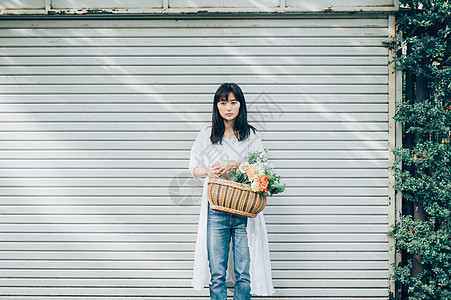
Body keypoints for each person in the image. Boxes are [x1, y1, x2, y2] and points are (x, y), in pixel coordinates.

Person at [189, 83, 275, 299]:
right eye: (223, 102)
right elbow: (193, 167)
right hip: (215, 209)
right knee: (217, 274)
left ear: (240, 105)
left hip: (244, 210)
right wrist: (209, 170)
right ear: (217, 106)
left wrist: (236, 164)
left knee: (243, 274)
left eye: (233, 102)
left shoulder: (251, 135)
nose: (228, 107)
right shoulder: (206, 135)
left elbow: (262, 168)